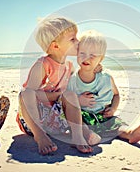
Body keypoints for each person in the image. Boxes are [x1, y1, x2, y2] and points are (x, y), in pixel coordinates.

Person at [16, 17, 100, 155]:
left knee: (70, 95)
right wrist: (58, 96)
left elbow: (78, 84)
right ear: (55, 46)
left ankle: (77, 136)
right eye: (73, 39)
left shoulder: (69, 66)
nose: (78, 42)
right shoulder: (42, 65)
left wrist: (93, 68)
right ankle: (40, 136)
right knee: (26, 93)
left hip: (56, 121)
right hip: (34, 121)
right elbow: (31, 96)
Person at [66, 30, 140, 143]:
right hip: (83, 117)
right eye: (82, 53)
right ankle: (89, 135)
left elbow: (116, 95)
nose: (86, 58)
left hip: (104, 116)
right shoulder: (72, 79)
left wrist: (113, 109)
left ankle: (130, 133)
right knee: (76, 122)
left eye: (93, 55)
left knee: (117, 124)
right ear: (77, 53)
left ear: (100, 59)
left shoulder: (105, 78)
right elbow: (66, 102)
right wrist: (78, 101)